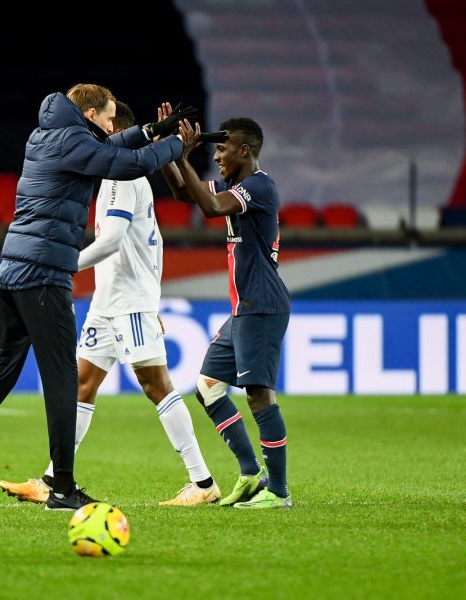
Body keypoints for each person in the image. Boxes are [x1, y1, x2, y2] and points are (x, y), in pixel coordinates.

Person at [0, 85, 196, 512]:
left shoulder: (46, 135)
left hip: (13, 269)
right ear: (88, 113)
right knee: (65, 380)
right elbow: (126, 162)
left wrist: (150, 130)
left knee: (0, 374)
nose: (108, 126)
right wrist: (175, 145)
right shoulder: (75, 142)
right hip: (44, 274)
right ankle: (62, 488)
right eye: (105, 119)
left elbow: (115, 144)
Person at [0, 101, 220, 506]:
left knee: (156, 385)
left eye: (102, 125)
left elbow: (114, 239)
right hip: (109, 299)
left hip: (128, 301)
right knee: (82, 385)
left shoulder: (122, 177)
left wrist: (67, 266)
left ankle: (203, 484)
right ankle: (52, 479)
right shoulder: (116, 174)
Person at [161, 116, 292, 509]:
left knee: (259, 397)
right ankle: (251, 473)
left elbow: (212, 207)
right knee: (208, 387)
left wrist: (185, 155)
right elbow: (187, 194)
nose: (216, 156)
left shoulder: (259, 186)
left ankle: (279, 491)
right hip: (244, 309)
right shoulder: (237, 185)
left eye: (222, 149)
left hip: (262, 305)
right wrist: (172, 152)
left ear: (244, 150)